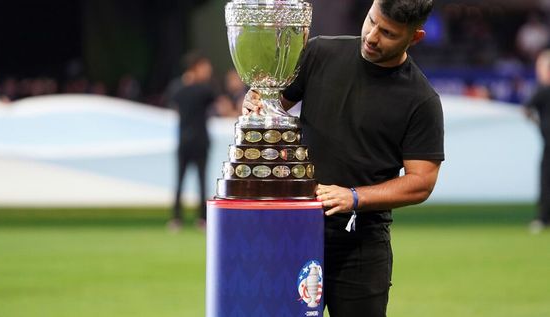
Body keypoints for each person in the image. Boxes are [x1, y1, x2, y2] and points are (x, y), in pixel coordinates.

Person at [242, 0, 444, 316]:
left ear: (414, 38)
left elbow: (422, 182)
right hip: (293, 231)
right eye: (372, 21)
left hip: (360, 246)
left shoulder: (421, 100)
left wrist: (354, 197)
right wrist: (257, 103)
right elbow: (273, 107)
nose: (372, 36)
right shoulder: (320, 53)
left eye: (388, 33)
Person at [165, 52, 216, 231]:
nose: (208, 71)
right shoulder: (196, 89)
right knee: (185, 180)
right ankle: (183, 217)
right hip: (192, 140)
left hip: (194, 141)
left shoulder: (185, 88)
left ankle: (193, 217)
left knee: (197, 181)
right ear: (196, 67)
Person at [524, 49, 550, 234]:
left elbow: (526, 110)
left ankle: (543, 218)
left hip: (548, 143)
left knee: (546, 180)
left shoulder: (542, 90)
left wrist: (539, 124)